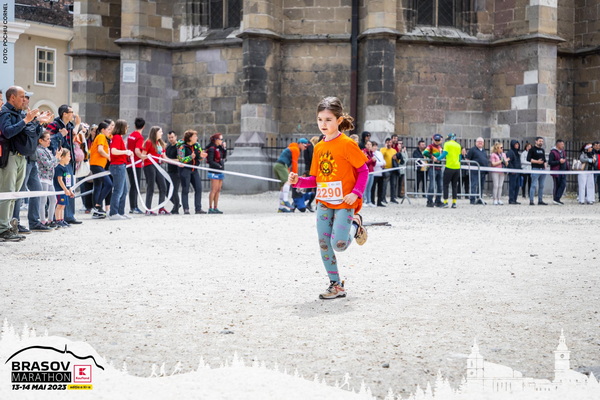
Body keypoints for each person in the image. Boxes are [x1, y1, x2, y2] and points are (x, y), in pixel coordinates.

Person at [288, 96, 368, 300]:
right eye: (320, 119)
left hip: (345, 202)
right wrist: (298, 181)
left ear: (339, 120)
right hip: (324, 202)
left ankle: (356, 224)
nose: (323, 124)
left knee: (339, 244)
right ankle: (336, 285)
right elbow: (316, 179)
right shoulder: (319, 147)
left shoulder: (347, 144)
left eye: (328, 120)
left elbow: (363, 170)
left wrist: (356, 193)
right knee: (324, 244)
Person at [0, 86, 53, 241]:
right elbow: (7, 132)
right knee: (8, 193)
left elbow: (32, 134)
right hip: (10, 156)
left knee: (15, 194)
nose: (25, 99)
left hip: (22, 157)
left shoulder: (21, 113)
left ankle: (8, 226)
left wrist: (38, 123)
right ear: (12, 98)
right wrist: (26, 120)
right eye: (22, 96)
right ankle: (2, 228)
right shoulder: (5, 113)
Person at [45, 104, 81, 225]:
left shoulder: (70, 126)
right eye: (71, 112)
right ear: (64, 114)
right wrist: (60, 135)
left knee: (70, 185)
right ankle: (56, 217)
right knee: (59, 187)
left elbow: (71, 142)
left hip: (68, 160)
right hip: (57, 160)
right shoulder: (53, 125)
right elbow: (47, 140)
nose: (73, 114)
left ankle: (69, 216)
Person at [273, 138, 309, 212]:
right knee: (288, 182)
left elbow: (288, 163)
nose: (306, 147)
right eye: (305, 145)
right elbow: (294, 163)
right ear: (300, 144)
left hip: (277, 165)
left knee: (283, 186)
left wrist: (289, 173)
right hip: (282, 166)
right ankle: (285, 200)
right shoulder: (296, 150)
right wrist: (295, 176)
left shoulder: (291, 148)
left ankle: (281, 208)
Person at [108, 119, 134, 220]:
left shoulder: (117, 137)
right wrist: (126, 152)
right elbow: (113, 151)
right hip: (117, 166)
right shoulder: (117, 137)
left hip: (120, 165)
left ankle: (120, 212)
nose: (127, 129)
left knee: (123, 190)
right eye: (126, 127)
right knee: (118, 190)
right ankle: (114, 213)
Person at [178, 129, 207, 215]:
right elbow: (181, 159)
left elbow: (199, 156)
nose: (196, 138)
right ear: (190, 138)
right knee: (185, 189)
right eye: (195, 136)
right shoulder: (182, 147)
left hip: (194, 169)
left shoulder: (197, 145)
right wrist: (190, 157)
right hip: (185, 170)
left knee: (198, 188)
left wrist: (202, 157)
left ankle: (198, 208)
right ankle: (186, 208)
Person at [141, 126, 169, 215]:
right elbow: (142, 156)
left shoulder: (160, 143)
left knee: (163, 186)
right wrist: (147, 156)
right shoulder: (149, 142)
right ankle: (148, 209)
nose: (162, 133)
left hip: (158, 165)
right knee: (151, 187)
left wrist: (177, 162)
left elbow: (164, 157)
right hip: (149, 166)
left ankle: (161, 208)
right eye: (160, 132)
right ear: (155, 133)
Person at [89, 121, 112, 219]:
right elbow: (100, 150)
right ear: (103, 130)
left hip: (98, 165)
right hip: (97, 164)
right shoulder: (101, 136)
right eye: (108, 129)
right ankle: (97, 205)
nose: (109, 131)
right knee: (109, 184)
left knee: (98, 186)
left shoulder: (102, 137)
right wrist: (109, 157)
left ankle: (96, 209)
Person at [36, 132, 59, 228]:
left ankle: (50, 220)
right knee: (43, 201)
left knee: (53, 200)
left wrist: (56, 158)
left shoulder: (47, 150)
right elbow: (48, 165)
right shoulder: (39, 151)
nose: (49, 141)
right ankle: (42, 221)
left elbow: (54, 164)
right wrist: (56, 158)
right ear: (41, 140)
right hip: (43, 178)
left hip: (49, 178)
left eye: (50, 139)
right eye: (47, 139)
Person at [126, 117, 145, 214]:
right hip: (136, 164)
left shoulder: (131, 135)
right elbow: (137, 150)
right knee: (135, 186)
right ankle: (134, 207)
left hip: (129, 162)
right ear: (143, 126)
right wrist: (143, 157)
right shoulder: (139, 137)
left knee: (133, 185)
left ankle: (133, 206)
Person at [438, 133, 461, 208]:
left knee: (445, 185)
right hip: (457, 167)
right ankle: (454, 203)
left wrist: (438, 159)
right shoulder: (458, 145)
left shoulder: (447, 144)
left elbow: (444, 154)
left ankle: (446, 202)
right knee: (454, 186)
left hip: (449, 167)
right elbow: (460, 157)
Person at [205, 133, 227, 214]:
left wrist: (224, 148)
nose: (221, 141)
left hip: (220, 170)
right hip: (214, 171)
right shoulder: (212, 148)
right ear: (216, 140)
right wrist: (218, 166)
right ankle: (210, 207)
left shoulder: (219, 148)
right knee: (214, 189)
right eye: (220, 139)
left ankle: (216, 207)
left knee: (218, 190)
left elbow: (223, 156)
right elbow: (210, 161)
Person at [53, 149, 75, 227]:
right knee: (59, 205)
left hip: (65, 190)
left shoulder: (65, 167)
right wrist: (65, 189)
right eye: (68, 156)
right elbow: (60, 180)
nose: (70, 158)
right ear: (62, 157)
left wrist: (69, 190)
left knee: (63, 205)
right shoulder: (59, 168)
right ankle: (57, 220)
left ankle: (62, 219)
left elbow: (67, 181)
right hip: (60, 190)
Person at [423, 134, 444, 207]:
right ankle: (429, 201)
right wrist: (432, 157)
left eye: (438, 140)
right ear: (433, 140)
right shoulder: (430, 146)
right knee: (432, 185)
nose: (437, 141)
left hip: (439, 168)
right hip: (432, 167)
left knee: (440, 186)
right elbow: (425, 152)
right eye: (436, 140)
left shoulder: (440, 148)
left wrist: (440, 159)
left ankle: (438, 200)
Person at [466, 137, 488, 205]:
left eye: (481, 142)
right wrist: (471, 167)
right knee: (474, 184)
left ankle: (479, 198)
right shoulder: (472, 150)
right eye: (479, 141)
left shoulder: (484, 151)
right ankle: (472, 199)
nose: (480, 143)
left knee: (481, 185)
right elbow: (467, 159)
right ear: (476, 142)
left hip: (483, 171)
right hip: (475, 171)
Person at [527, 136, 547, 206]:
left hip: (542, 169)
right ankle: (531, 200)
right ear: (536, 141)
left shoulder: (542, 150)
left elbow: (544, 160)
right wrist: (537, 162)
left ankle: (540, 200)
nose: (541, 142)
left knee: (541, 185)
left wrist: (545, 166)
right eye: (540, 141)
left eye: (542, 141)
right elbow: (528, 159)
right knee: (533, 185)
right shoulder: (532, 149)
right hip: (535, 168)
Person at [165, 131, 181, 214]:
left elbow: (180, 159)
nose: (171, 139)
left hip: (177, 172)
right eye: (169, 137)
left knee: (174, 191)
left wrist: (168, 160)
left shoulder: (179, 147)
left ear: (176, 137)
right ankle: (176, 204)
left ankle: (176, 209)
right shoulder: (168, 147)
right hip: (170, 171)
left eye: (172, 137)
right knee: (166, 191)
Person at [549, 139, 568, 205]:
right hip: (556, 171)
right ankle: (555, 199)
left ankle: (558, 198)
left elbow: (565, 159)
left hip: (563, 171)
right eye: (562, 144)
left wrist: (567, 167)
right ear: (558, 144)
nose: (563, 145)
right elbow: (550, 162)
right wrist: (559, 162)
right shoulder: (553, 152)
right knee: (557, 185)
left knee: (563, 184)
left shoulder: (563, 152)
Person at [380, 138, 398, 203]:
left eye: (390, 142)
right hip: (386, 169)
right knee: (384, 184)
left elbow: (397, 160)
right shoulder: (382, 149)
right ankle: (383, 198)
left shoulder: (394, 150)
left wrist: (396, 158)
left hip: (392, 169)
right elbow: (381, 156)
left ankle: (392, 198)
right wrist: (385, 148)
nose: (389, 144)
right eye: (387, 142)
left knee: (393, 184)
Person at [506, 140, 522, 204]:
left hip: (518, 172)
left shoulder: (517, 153)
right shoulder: (510, 152)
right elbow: (508, 162)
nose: (517, 146)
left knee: (517, 186)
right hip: (513, 172)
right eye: (515, 144)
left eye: (518, 144)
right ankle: (511, 199)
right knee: (512, 186)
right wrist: (512, 169)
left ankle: (515, 199)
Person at [362, 140, 376, 207]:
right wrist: (371, 160)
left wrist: (374, 161)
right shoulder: (364, 152)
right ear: (365, 145)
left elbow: (373, 164)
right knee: (365, 187)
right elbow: (365, 162)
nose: (369, 146)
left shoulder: (371, 153)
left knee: (369, 188)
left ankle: (369, 201)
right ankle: (364, 201)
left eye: (370, 144)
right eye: (368, 144)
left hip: (371, 171)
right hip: (366, 172)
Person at [371, 141, 386, 207]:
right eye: (374, 146)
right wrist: (381, 164)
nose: (375, 147)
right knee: (373, 188)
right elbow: (375, 163)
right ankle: (372, 201)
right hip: (374, 173)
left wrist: (384, 163)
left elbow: (382, 160)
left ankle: (379, 201)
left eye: (376, 146)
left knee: (380, 188)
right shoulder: (371, 154)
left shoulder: (379, 153)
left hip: (380, 172)